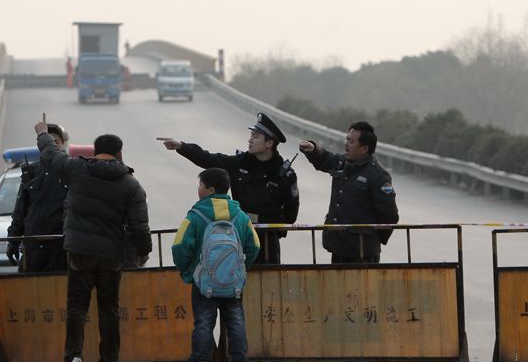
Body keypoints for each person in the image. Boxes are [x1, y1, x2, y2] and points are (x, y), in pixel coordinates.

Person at [34, 115, 152, 362]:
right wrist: (143, 251)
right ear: (119, 154)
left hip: (79, 251)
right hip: (111, 255)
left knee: (77, 306)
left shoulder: (77, 169)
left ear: (95, 152)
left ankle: (73, 359)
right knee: (109, 308)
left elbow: (52, 156)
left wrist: (42, 134)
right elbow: (140, 226)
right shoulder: (131, 184)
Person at [157, 112, 299, 264]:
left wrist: (270, 224)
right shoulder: (239, 163)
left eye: (256, 136)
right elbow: (208, 159)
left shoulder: (284, 175)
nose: (250, 140)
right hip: (237, 237)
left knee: (269, 278)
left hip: (267, 242)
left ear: (269, 143)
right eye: (251, 135)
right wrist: (182, 146)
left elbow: (291, 214)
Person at [172, 168, 260, 362]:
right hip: (233, 282)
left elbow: (179, 247)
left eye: (200, 185)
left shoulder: (195, 216)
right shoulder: (240, 216)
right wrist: (240, 269)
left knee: (204, 323)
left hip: (204, 282)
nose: (198, 189)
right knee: (235, 321)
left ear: (210, 190)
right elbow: (254, 246)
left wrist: (189, 271)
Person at [299, 121, 398, 263]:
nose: (346, 144)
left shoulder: (378, 176)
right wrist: (313, 149)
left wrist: (372, 238)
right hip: (338, 247)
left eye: (351, 142)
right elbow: (325, 158)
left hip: (362, 253)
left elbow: (389, 215)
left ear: (364, 148)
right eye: (346, 139)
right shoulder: (343, 163)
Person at [6, 123, 70, 272]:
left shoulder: (71, 170)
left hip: (61, 248)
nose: (53, 146)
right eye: (50, 142)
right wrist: (13, 241)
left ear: (62, 144)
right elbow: (20, 210)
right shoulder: (31, 172)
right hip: (33, 247)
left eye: (56, 142)